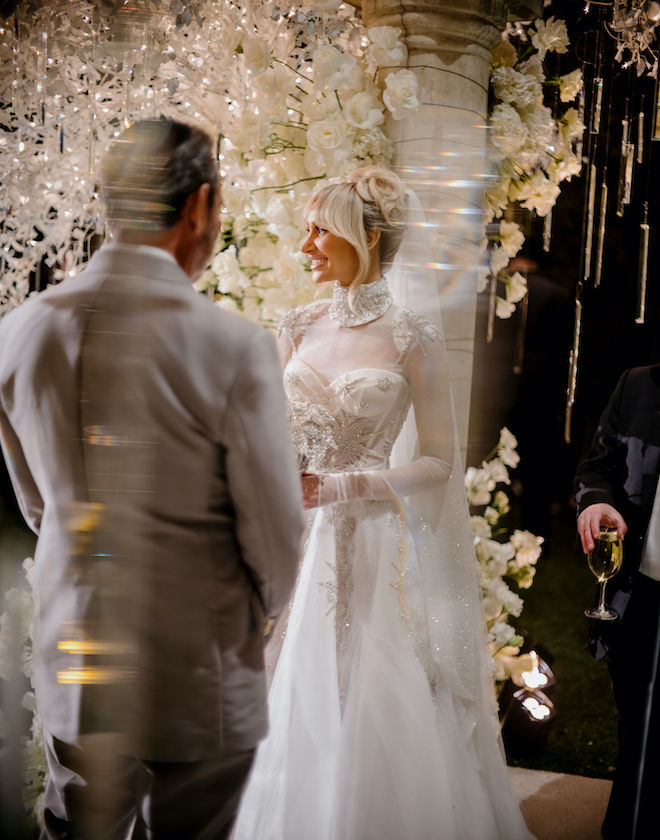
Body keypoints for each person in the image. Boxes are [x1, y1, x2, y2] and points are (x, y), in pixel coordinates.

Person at [0, 118, 304, 839]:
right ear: (198, 207)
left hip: (77, 635)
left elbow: (37, 503)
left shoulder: (18, 331)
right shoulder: (232, 345)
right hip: (198, 654)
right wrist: (263, 611)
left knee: (77, 824)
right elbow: (275, 532)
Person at [232, 167, 531, 840]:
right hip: (295, 540)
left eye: (319, 231)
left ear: (365, 238)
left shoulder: (412, 338)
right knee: (288, 689)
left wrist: (347, 486)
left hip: (372, 545)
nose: (305, 245)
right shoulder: (296, 325)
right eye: (306, 229)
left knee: (375, 686)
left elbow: (440, 462)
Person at [576, 364, 660, 840]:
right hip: (637, 595)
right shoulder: (637, 384)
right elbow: (597, 466)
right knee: (635, 731)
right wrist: (594, 501)